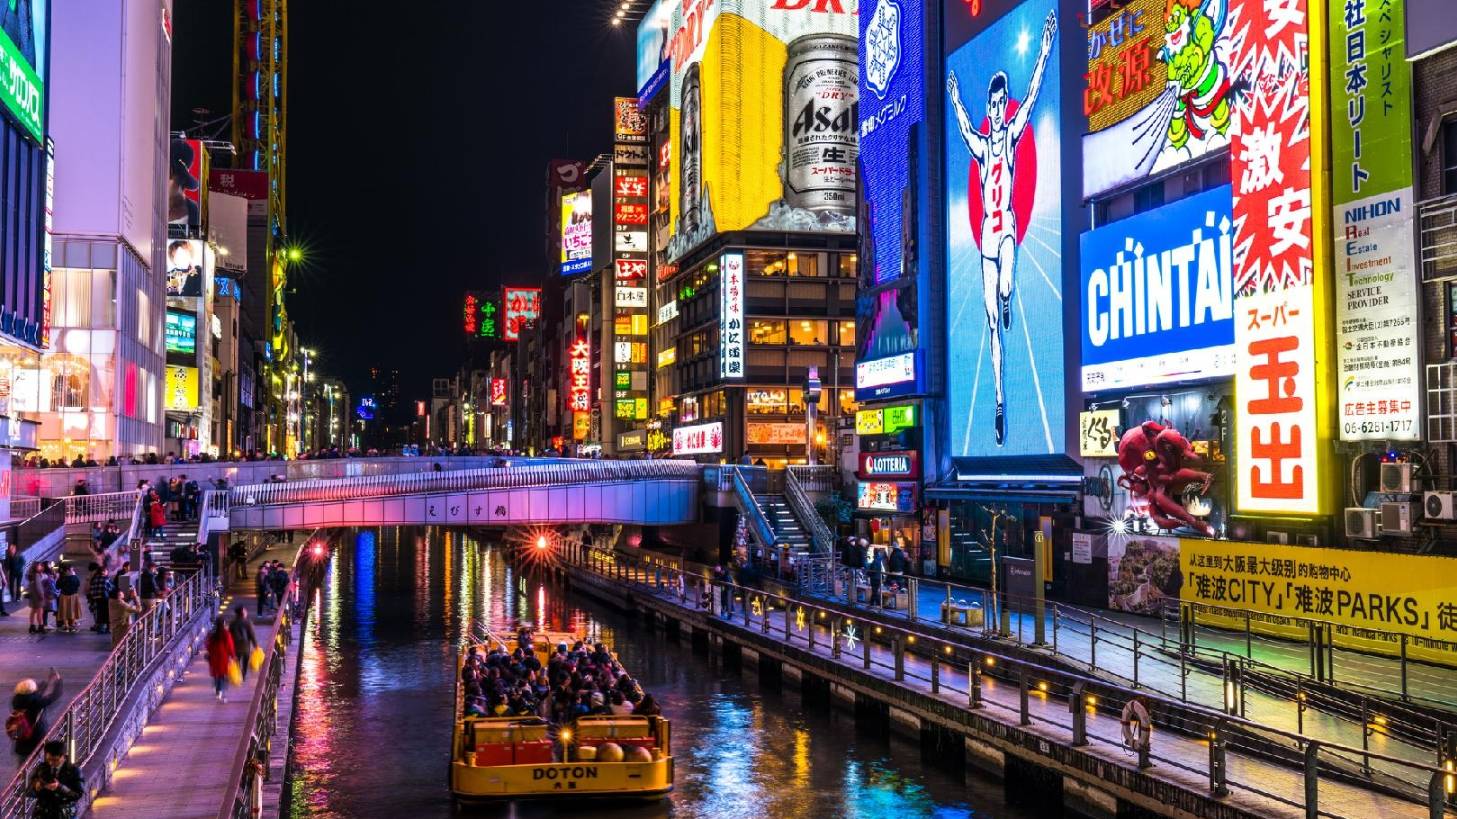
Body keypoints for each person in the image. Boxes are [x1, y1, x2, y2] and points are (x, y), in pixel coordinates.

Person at [946, 8, 1057, 446]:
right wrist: (955, 98)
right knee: (993, 324)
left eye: (998, 103)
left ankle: (1009, 297)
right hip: (986, 243)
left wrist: (1045, 50)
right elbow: (961, 128)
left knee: (1007, 288)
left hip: (1006, 228)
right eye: (991, 104)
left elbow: (1031, 96)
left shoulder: (1008, 137)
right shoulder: (980, 142)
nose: (995, 109)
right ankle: (998, 402)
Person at [8, 670, 62, 758]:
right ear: (33, 690)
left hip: (22, 740)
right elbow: (55, 695)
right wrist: (58, 681)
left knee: (22, 764)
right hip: (36, 738)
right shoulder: (36, 702)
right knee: (36, 763)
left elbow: (34, 694)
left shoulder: (16, 700)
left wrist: (48, 682)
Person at [27, 739, 83, 819]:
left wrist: (60, 787)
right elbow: (29, 790)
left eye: (55, 760)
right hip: (43, 813)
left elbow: (78, 794)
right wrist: (36, 786)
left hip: (65, 813)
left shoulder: (74, 771)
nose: (51, 763)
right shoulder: (41, 768)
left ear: (63, 756)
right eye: (49, 759)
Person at [206, 616, 236, 703]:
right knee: (222, 675)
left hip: (214, 657)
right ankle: (220, 691)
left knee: (216, 674)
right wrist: (232, 656)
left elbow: (208, 645)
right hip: (223, 657)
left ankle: (217, 689)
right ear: (223, 624)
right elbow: (230, 645)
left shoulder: (212, 633)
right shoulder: (226, 633)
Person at [229, 607, 258, 682]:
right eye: (245, 611)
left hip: (235, 646)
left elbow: (229, 636)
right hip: (245, 646)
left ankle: (238, 675)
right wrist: (255, 645)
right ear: (242, 613)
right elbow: (252, 635)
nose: (246, 612)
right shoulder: (248, 622)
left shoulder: (232, 623)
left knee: (237, 661)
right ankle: (243, 675)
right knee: (245, 662)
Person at [1120, 695, 1153, 759]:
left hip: (1136, 708)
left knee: (1143, 738)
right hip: (1138, 710)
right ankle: (1143, 760)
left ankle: (1143, 759)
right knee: (1143, 739)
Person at [55, 565, 81, 634]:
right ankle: (72, 625)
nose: (73, 571)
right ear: (67, 571)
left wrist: (57, 578)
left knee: (64, 611)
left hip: (64, 596)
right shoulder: (75, 578)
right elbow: (78, 584)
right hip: (74, 596)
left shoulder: (62, 578)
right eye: (71, 570)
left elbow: (57, 586)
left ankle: (66, 626)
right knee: (73, 611)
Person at [86, 564, 111, 634]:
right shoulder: (106, 579)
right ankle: (108, 629)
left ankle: (100, 628)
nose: (107, 572)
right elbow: (110, 588)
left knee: (99, 614)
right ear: (103, 571)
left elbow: (91, 589)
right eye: (106, 571)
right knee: (107, 614)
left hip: (96, 599)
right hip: (105, 599)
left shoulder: (94, 579)